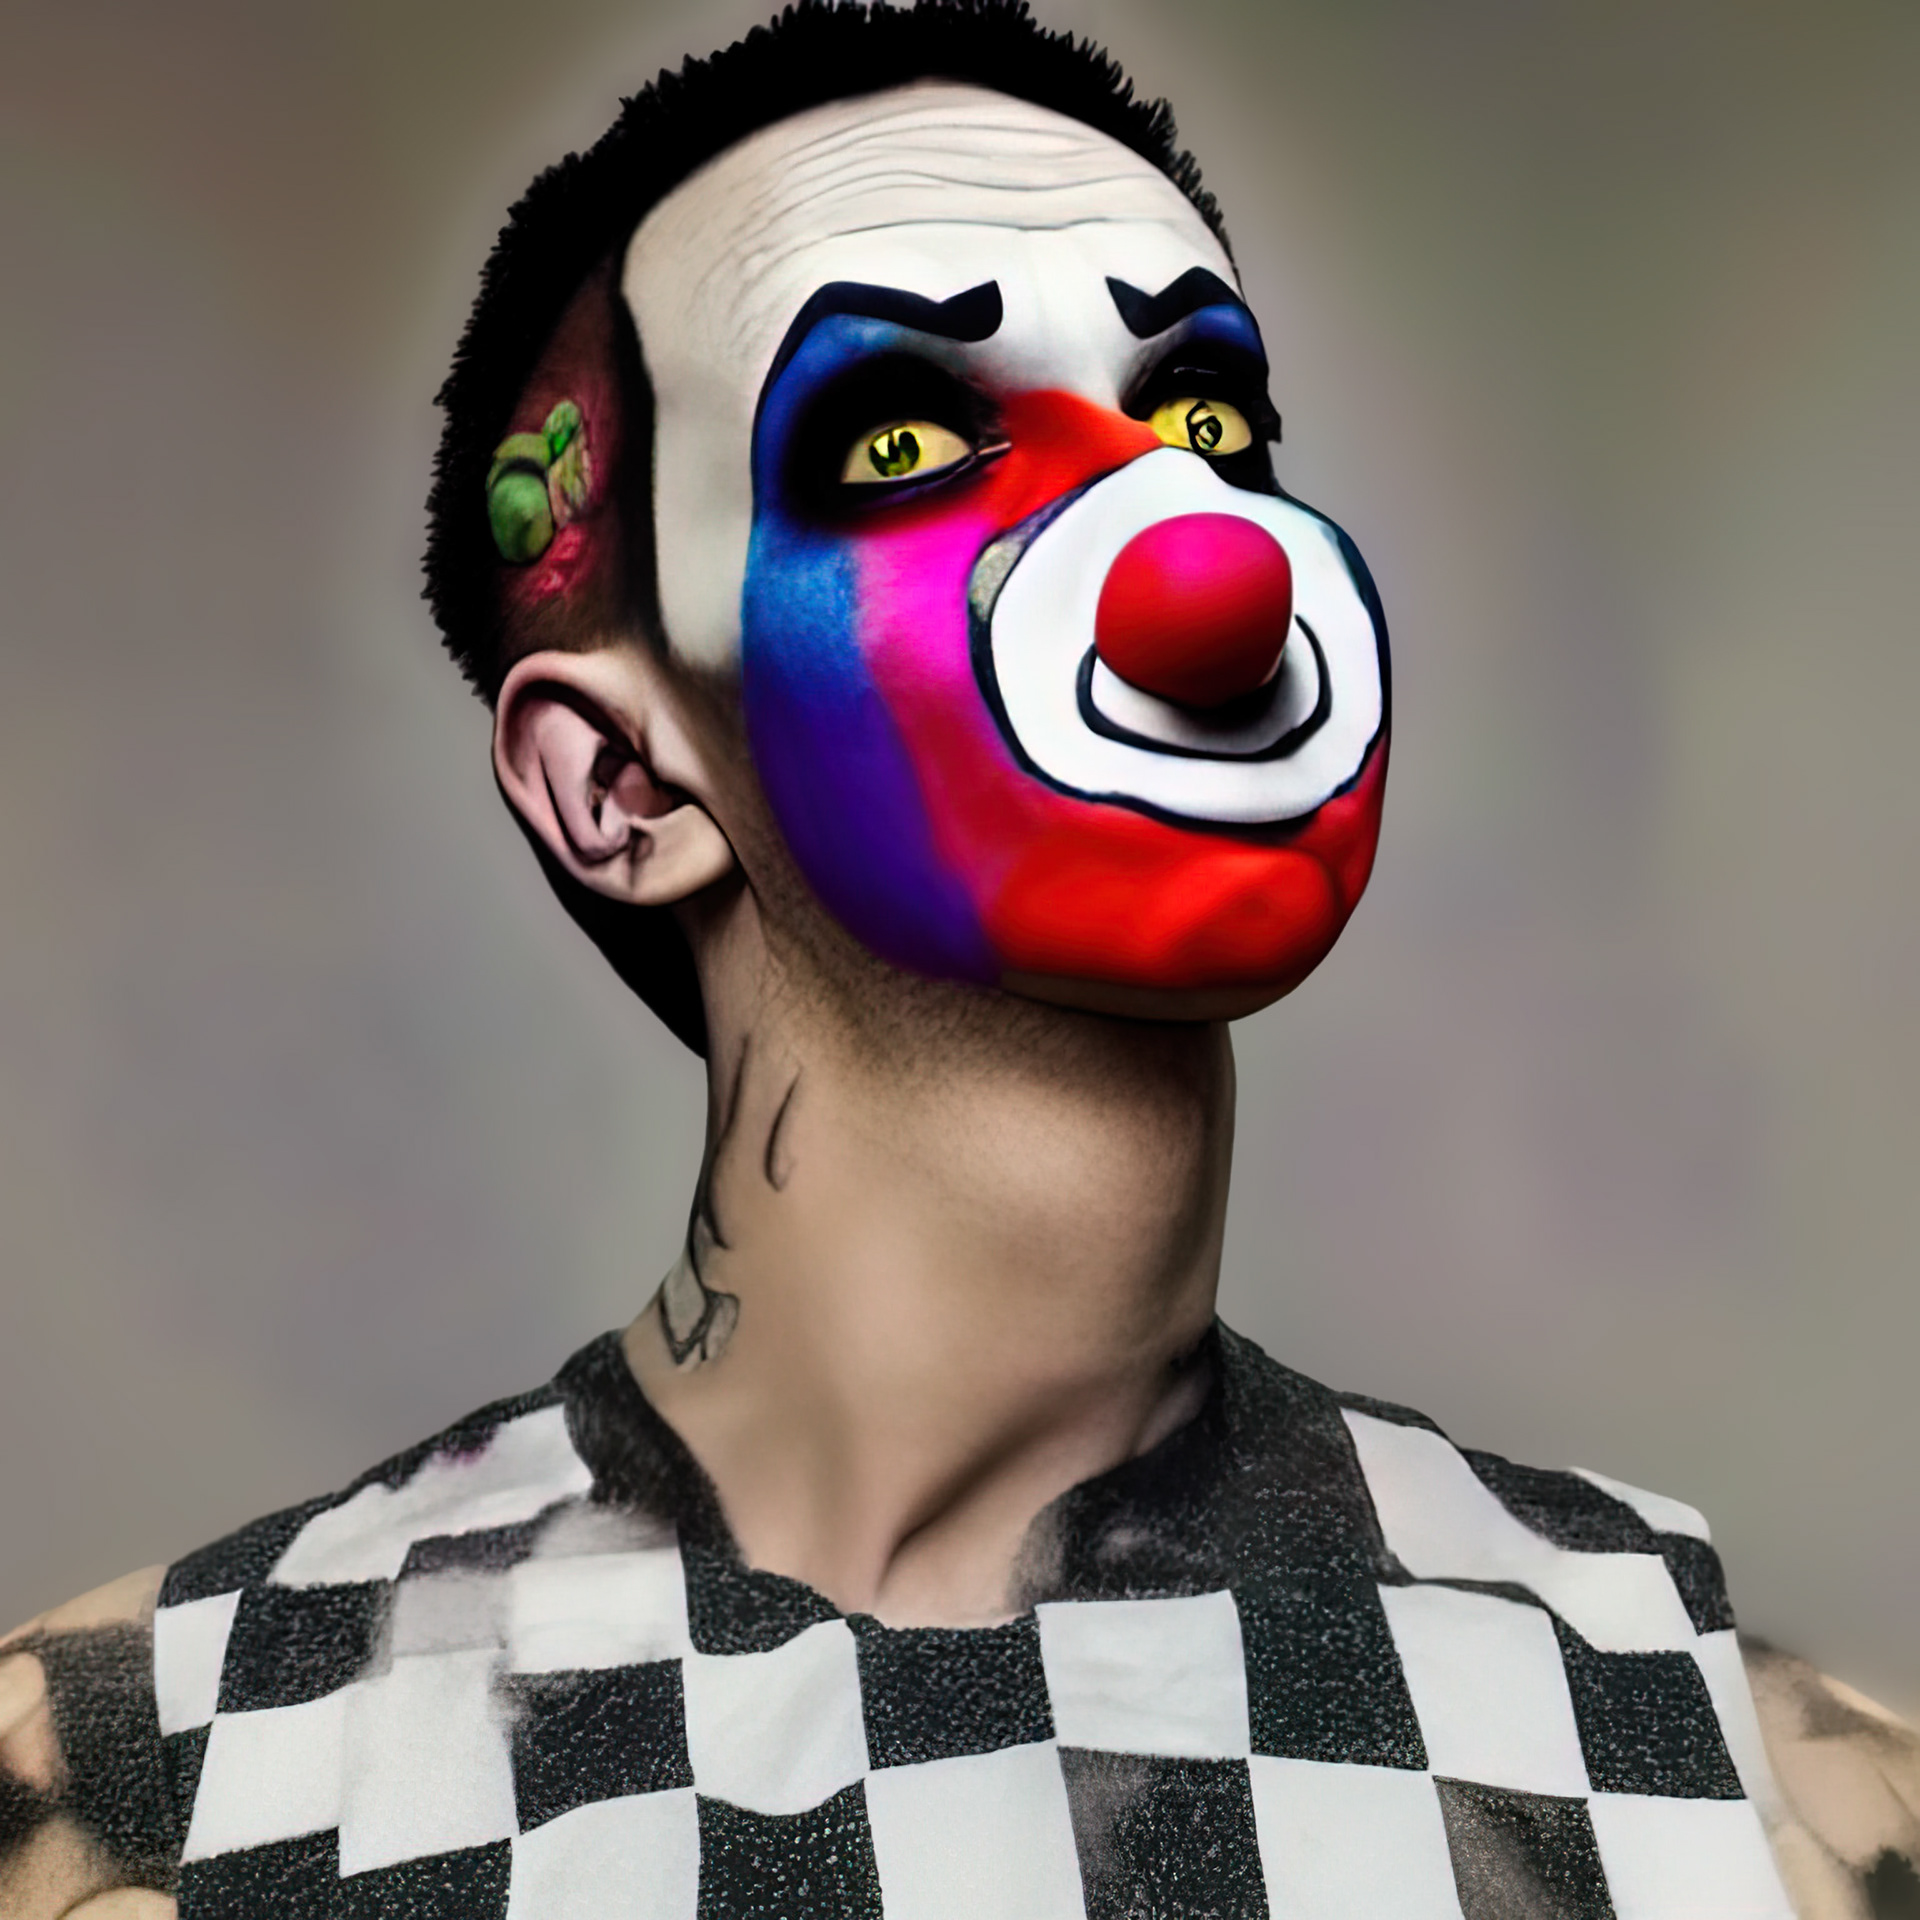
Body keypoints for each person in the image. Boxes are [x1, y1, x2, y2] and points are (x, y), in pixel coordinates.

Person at [2, 5, 1913, 1915]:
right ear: (617, 780)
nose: (1201, 544)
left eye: (1206, 417)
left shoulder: (1729, 1781)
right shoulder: (152, 1785)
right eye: (902, 438)